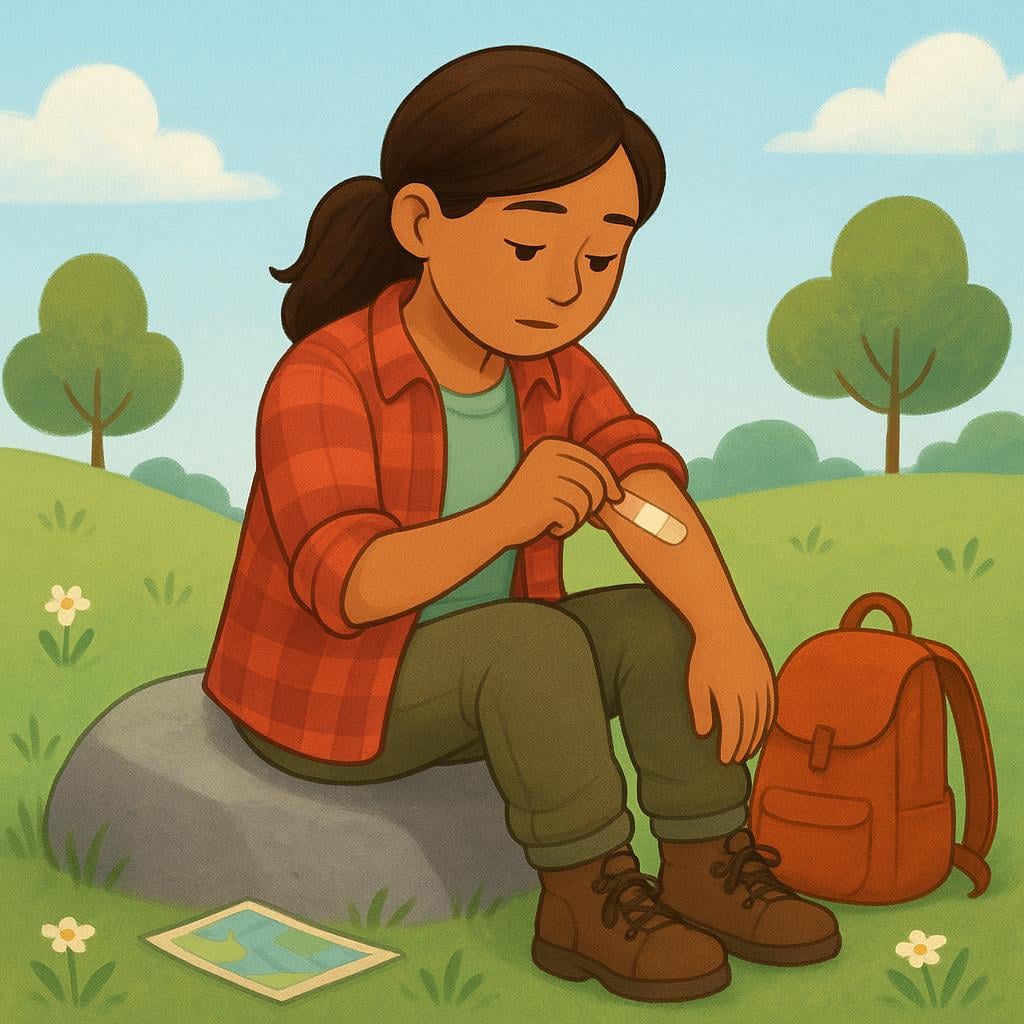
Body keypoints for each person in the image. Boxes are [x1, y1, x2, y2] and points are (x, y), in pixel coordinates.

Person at [201, 44, 840, 1004]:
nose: (568, 288)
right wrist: (503, 516)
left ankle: (708, 862)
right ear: (422, 222)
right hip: (339, 693)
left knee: (653, 620)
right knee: (529, 643)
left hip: (487, 679)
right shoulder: (325, 377)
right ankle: (584, 897)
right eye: (529, 249)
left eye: (602, 255)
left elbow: (644, 493)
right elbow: (348, 586)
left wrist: (721, 624)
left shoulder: (554, 371)